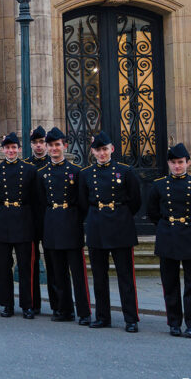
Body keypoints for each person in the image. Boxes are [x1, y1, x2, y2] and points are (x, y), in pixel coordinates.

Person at [147, 143, 191, 338]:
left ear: (187, 163)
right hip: (168, 237)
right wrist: (165, 227)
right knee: (169, 283)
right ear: (168, 164)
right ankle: (174, 323)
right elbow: (152, 212)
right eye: (173, 163)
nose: (177, 166)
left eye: (180, 162)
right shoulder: (159, 185)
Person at [78, 131, 142, 333]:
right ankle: (102, 316)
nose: (102, 153)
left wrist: (121, 214)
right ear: (93, 152)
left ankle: (131, 318)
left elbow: (136, 201)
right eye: (98, 150)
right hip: (97, 226)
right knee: (99, 276)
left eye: (105, 149)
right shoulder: (86, 174)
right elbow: (82, 202)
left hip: (121, 227)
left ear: (112, 149)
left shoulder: (125, 171)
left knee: (125, 276)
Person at [35, 127, 91, 325]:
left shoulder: (76, 172)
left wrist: (77, 222)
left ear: (65, 146)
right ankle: (63, 309)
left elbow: (83, 203)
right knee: (57, 273)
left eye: (57, 145)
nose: (54, 148)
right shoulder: (41, 174)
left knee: (77, 273)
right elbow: (42, 202)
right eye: (50, 145)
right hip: (51, 225)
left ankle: (84, 311)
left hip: (71, 224)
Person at [0, 133, 39, 319]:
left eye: (14, 147)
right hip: (3, 221)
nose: (10, 151)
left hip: (24, 221)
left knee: (25, 267)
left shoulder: (30, 170)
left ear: (19, 149)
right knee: (4, 267)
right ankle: (7, 304)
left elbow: (34, 199)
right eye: (7, 148)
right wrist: (2, 213)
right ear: (3, 150)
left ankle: (27, 305)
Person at [27, 125, 53, 315]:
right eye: (35, 142)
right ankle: (34, 303)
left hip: (51, 219)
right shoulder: (26, 166)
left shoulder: (53, 164)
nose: (38, 146)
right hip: (30, 220)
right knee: (32, 263)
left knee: (52, 263)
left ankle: (56, 304)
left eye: (42, 142)